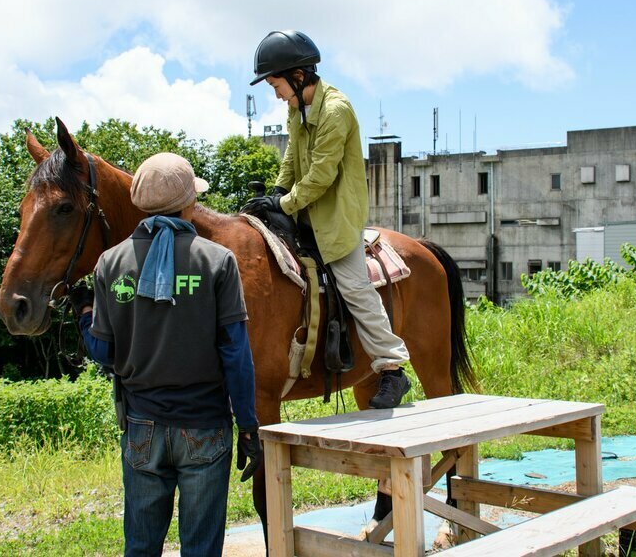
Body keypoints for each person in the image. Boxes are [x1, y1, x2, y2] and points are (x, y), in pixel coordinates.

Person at [70, 152, 261, 557]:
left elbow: (103, 353)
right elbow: (236, 356)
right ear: (190, 202)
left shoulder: (110, 263)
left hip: (141, 428)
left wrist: (85, 314)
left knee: (140, 546)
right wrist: (247, 426)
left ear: (140, 202)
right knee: (201, 548)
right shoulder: (218, 261)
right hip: (205, 427)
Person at [245, 30, 411, 409]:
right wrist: (275, 193)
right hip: (303, 210)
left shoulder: (336, 110)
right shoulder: (296, 108)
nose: (276, 94)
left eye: (276, 85)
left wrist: (285, 204)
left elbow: (321, 173)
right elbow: (292, 159)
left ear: (298, 76)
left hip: (336, 216)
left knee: (352, 283)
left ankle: (391, 366)